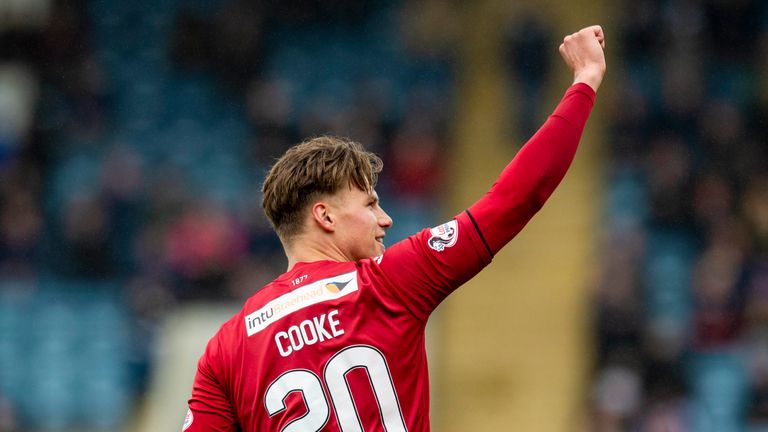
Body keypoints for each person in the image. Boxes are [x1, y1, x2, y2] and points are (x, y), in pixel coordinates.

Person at [183, 25, 606, 431]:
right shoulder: (389, 283)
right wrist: (584, 82)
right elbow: (516, 197)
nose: (385, 219)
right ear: (325, 216)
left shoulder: (226, 349)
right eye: (370, 204)